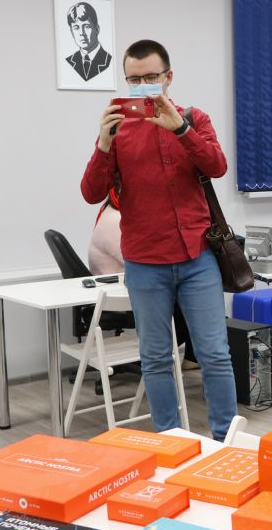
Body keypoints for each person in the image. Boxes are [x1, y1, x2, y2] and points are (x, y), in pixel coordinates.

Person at [80, 39, 236, 441]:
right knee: (155, 358)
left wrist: (180, 129)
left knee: (215, 354)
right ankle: (171, 441)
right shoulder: (118, 129)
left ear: (168, 77)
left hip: (197, 256)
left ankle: (226, 441)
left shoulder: (194, 118)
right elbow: (91, 192)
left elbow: (217, 166)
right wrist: (103, 143)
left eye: (150, 77)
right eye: (134, 79)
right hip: (145, 262)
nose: (143, 86)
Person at [88, 188, 197, 368]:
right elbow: (137, 260)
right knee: (187, 303)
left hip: (121, 287)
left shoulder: (109, 212)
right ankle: (162, 355)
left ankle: (184, 356)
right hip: (120, 295)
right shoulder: (116, 220)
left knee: (185, 298)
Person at [65, 2, 112, 82]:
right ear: (72, 32)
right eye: (76, 27)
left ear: (97, 29)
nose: (81, 33)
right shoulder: (70, 60)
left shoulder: (108, 59)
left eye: (86, 26)